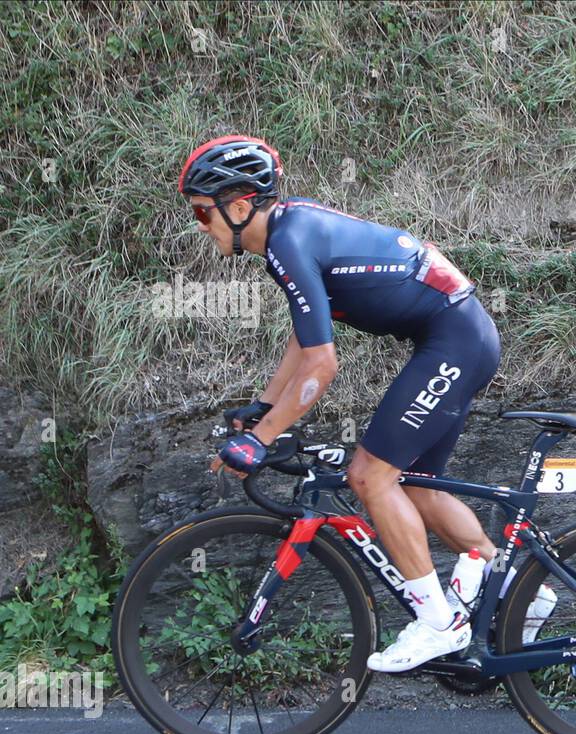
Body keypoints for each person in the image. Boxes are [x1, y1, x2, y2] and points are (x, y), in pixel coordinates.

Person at [179, 134, 500, 671]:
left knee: (370, 476)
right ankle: (513, 584)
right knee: (414, 486)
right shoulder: (290, 233)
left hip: (455, 339)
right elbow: (304, 343)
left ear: (237, 207)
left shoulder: (288, 242)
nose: (199, 224)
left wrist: (258, 442)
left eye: (201, 212)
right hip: (459, 334)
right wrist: (263, 409)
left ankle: (439, 624)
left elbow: (323, 366)